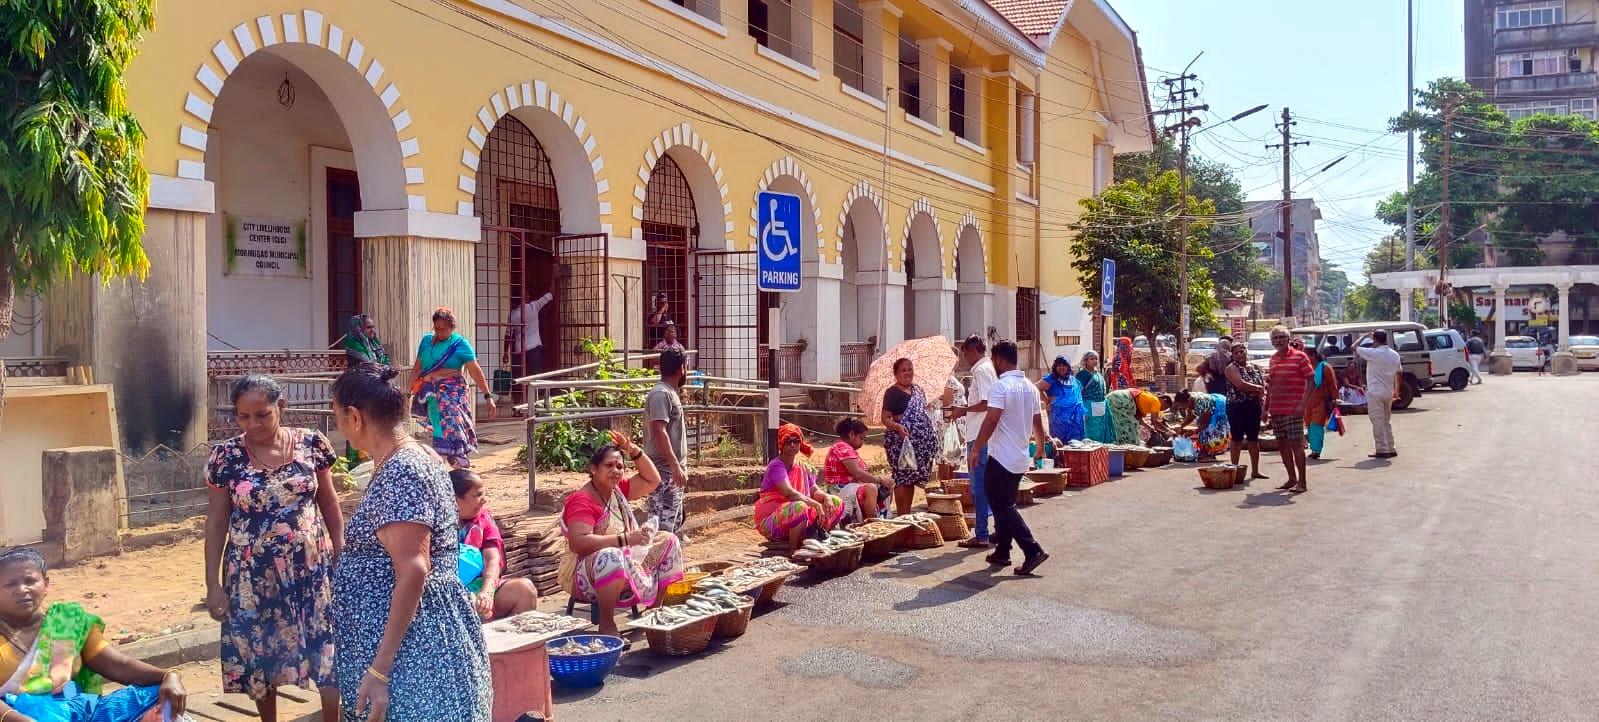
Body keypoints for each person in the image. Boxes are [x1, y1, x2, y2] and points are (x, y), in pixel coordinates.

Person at [330, 365, 491, 721]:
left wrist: (379, 670)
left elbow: (415, 569)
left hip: (413, 657)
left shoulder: (402, 471)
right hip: (412, 646)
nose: (336, 424)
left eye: (336, 414)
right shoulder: (408, 459)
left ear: (354, 417)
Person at [203, 375, 342, 721]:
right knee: (259, 657)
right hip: (251, 577)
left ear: (281, 407)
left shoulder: (312, 444)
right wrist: (212, 584)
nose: (253, 424)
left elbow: (328, 501)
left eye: (262, 414)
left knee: (326, 648)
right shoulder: (226, 457)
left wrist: (341, 549)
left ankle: (332, 717)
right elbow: (217, 521)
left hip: (311, 571)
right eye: (243, 417)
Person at [0, 549, 188, 722]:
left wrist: (168, 676)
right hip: (15, 715)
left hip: (76, 709)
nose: (22, 590)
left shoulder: (68, 622)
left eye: (30, 581)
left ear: (46, 584)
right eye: (11, 584)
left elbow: (119, 665)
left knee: (160, 696)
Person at [557, 434, 684, 636]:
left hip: (624, 560)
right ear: (593, 469)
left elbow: (653, 479)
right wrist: (625, 539)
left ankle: (654, 612)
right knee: (611, 556)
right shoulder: (582, 500)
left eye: (620, 466)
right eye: (609, 466)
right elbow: (578, 543)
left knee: (669, 541)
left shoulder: (617, 491)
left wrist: (631, 449)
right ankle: (607, 625)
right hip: (585, 575)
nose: (615, 471)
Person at [966, 340, 1049, 576]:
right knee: (1004, 503)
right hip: (1020, 456)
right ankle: (1003, 550)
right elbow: (1037, 420)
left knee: (1002, 505)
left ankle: (1032, 549)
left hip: (1002, 456)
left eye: (994, 360)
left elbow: (991, 419)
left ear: (1000, 359)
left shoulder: (1001, 387)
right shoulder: (1030, 387)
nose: (993, 364)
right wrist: (1040, 446)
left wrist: (976, 448)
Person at [410, 307, 496, 469]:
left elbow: (475, 371)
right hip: (431, 393)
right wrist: (407, 392)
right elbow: (417, 368)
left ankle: (458, 459)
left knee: (453, 421)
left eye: (443, 329)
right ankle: (445, 460)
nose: (439, 332)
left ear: (452, 328)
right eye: (436, 328)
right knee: (438, 424)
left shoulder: (460, 344)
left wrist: (487, 396)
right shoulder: (426, 341)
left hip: (453, 394)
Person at [450, 470, 539, 621]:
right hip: (449, 593)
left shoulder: (484, 520)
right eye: (477, 495)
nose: (483, 500)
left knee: (525, 590)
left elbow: (492, 559)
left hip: (482, 585)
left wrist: (487, 591)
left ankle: (509, 643)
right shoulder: (435, 525)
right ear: (455, 499)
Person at [756, 424, 845, 555]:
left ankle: (820, 541)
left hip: (800, 513)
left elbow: (814, 490)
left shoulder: (803, 467)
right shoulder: (776, 465)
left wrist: (826, 497)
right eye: (788, 441)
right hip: (771, 519)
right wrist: (815, 504)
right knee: (799, 507)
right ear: (781, 444)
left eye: (796, 441)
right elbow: (788, 492)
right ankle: (794, 550)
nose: (793, 445)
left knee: (836, 502)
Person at [952, 336, 998, 548]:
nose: (965, 359)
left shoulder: (981, 370)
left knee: (979, 486)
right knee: (987, 485)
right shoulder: (986, 368)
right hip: (983, 433)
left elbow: (988, 402)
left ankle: (981, 533)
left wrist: (964, 410)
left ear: (972, 351)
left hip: (980, 435)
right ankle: (993, 529)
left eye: (965, 354)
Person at [881, 358, 939, 516]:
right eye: (903, 370)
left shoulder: (918, 390)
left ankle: (907, 516)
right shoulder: (892, 392)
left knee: (912, 479)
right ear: (896, 374)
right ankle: (902, 515)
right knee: (902, 478)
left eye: (910, 369)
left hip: (918, 444)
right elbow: (885, 418)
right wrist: (898, 427)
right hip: (900, 442)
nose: (908, 372)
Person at [644, 348, 690, 536]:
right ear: (681, 368)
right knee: (662, 530)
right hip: (664, 472)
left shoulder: (669, 393)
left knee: (674, 523)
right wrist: (674, 465)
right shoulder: (661, 394)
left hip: (672, 472)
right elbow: (659, 430)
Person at [1265, 325, 1315, 493]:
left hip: (1294, 409)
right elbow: (1270, 385)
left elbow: (1311, 381)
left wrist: (1302, 404)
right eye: (1275, 338)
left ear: (1288, 339)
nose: (1278, 341)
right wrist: (1265, 408)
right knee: (1283, 445)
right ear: (1272, 342)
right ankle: (1291, 478)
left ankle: (1302, 482)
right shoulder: (1273, 359)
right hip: (1276, 409)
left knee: (1297, 445)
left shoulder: (1300, 357)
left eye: (1281, 337)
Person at [822, 418, 892, 524]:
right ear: (851, 434)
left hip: (851, 486)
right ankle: (873, 524)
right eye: (861, 438)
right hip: (840, 489)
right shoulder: (842, 447)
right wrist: (880, 480)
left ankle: (881, 517)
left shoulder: (848, 449)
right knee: (871, 488)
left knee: (888, 484)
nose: (862, 442)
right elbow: (857, 473)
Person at [1223, 343, 1269, 479]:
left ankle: (1255, 470)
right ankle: (1234, 470)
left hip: (1253, 405)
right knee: (1236, 438)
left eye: (1241, 351)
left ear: (1246, 352)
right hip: (1237, 406)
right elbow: (1241, 385)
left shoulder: (1254, 367)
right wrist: (1258, 388)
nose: (1239, 355)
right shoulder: (1231, 368)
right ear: (1232, 355)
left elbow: (1263, 387)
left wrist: (1263, 406)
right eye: (1236, 353)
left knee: (1253, 439)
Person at [1355, 330, 1403, 459]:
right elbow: (1399, 373)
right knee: (1386, 421)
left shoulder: (1373, 353)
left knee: (1377, 421)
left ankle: (1382, 449)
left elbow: (1353, 347)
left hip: (1375, 391)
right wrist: (1396, 391)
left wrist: (1364, 336)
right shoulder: (1394, 354)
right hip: (1388, 391)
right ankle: (1390, 447)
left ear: (1375, 340)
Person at [506, 278, 556, 379]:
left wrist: (505, 353)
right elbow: (551, 294)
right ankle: (535, 395)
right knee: (535, 378)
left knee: (521, 380)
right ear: (523, 297)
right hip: (534, 350)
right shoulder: (533, 307)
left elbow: (508, 335)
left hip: (519, 351)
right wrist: (554, 277)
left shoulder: (512, 315)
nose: (529, 296)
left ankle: (520, 395)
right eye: (526, 294)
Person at [1036, 355, 1086, 444]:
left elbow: (1080, 392)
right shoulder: (1051, 379)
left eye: (1064, 365)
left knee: (1075, 444)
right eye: (1059, 365)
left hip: (1074, 419)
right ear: (1055, 367)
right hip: (1058, 419)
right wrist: (1046, 401)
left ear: (1068, 367)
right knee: (1059, 443)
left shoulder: (1073, 380)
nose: (1061, 368)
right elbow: (1036, 387)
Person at [1304, 346, 1340, 460]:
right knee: (1309, 425)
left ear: (1313, 355)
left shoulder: (1325, 367)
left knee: (1316, 425)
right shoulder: (1306, 368)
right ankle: (1313, 449)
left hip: (1321, 401)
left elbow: (1332, 384)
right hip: (1307, 402)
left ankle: (1316, 450)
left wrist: (1335, 399)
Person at [1174, 389, 1229, 461]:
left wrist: (1194, 431)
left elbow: (1205, 423)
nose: (1181, 407)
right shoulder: (1190, 401)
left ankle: (1209, 452)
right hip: (1210, 407)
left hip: (1220, 406)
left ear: (1188, 401)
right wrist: (1181, 427)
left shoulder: (1201, 402)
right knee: (1201, 426)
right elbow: (1191, 416)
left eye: (1181, 405)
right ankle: (1207, 452)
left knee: (1212, 429)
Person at [1104, 387, 1170, 446]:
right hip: (1121, 400)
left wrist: (1150, 429)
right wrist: (1168, 431)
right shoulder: (1156, 401)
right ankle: (1126, 447)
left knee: (1118, 424)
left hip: (1114, 397)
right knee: (1130, 426)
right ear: (1164, 400)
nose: (1163, 409)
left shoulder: (1147, 400)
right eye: (1165, 407)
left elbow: (1139, 420)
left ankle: (1120, 445)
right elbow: (1154, 421)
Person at [1075, 351, 1115, 444]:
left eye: (1096, 358)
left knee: (1101, 430)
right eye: (1092, 359)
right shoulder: (1083, 374)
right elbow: (1077, 393)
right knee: (1091, 431)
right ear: (1086, 361)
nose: (1095, 361)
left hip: (1100, 406)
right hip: (1088, 407)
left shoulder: (1097, 373)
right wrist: (1082, 410)